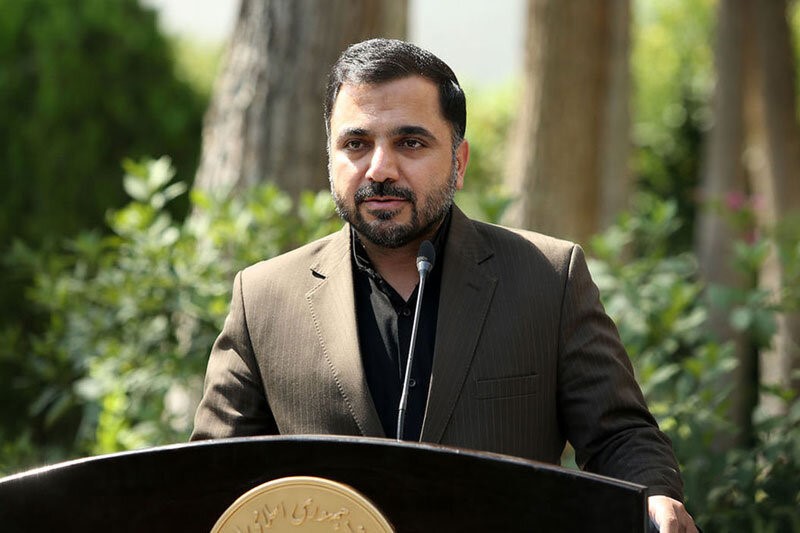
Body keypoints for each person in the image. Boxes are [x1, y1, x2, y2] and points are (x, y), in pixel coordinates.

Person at [192, 38, 697, 532]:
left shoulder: (549, 277)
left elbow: (618, 436)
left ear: (459, 162)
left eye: (410, 143)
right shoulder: (263, 297)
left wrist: (656, 497)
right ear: (330, 157)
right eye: (356, 144)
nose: (380, 169)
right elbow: (208, 478)